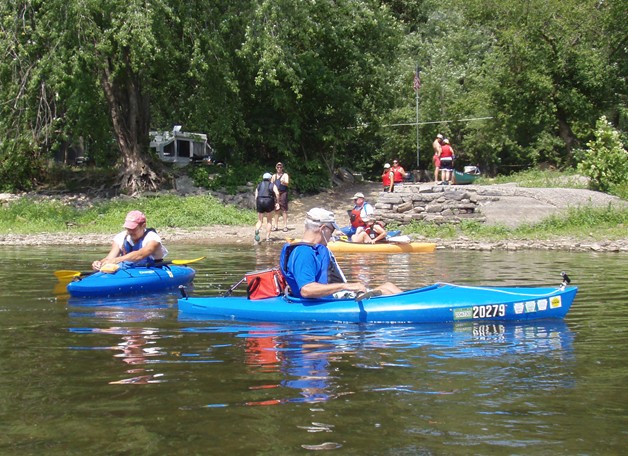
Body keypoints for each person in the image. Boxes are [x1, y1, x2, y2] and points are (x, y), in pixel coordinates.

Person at [280, 208, 402, 299]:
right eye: (332, 230)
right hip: (321, 302)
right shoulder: (303, 253)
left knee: (388, 286)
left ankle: (415, 301)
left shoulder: (312, 250)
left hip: (329, 297)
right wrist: (345, 286)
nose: (331, 235)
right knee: (386, 291)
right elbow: (307, 290)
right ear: (323, 229)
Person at [91, 210, 168, 271]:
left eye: (133, 229)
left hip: (153, 268)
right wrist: (100, 263)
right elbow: (110, 258)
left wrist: (116, 260)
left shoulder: (152, 238)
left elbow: (140, 255)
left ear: (143, 226)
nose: (130, 231)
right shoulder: (120, 237)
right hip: (130, 269)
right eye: (128, 228)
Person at [254, 172, 280, 242]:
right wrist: (277, 202)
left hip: (259, 200)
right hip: (269, 201)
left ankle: (256, 231)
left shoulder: (259, 185)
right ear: (270, 178)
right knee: (269, 220)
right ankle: (267, 238)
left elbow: (256, 195)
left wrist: (257, 202)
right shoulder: (272, 185)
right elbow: (277, 193)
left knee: (260, 220)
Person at [271, 162, 290, 232]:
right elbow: (271, 184)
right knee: (276, 210)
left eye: (280, 167)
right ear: (276, 168)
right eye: (278, 167)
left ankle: (285, 226)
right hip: (276, 194)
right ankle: (276, 226)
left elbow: (287, 183)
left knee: (284, 210)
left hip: (283, 193)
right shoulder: (274, 176)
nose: (279, 168)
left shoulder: (285, 175)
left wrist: (283, 182)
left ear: (282, 168)